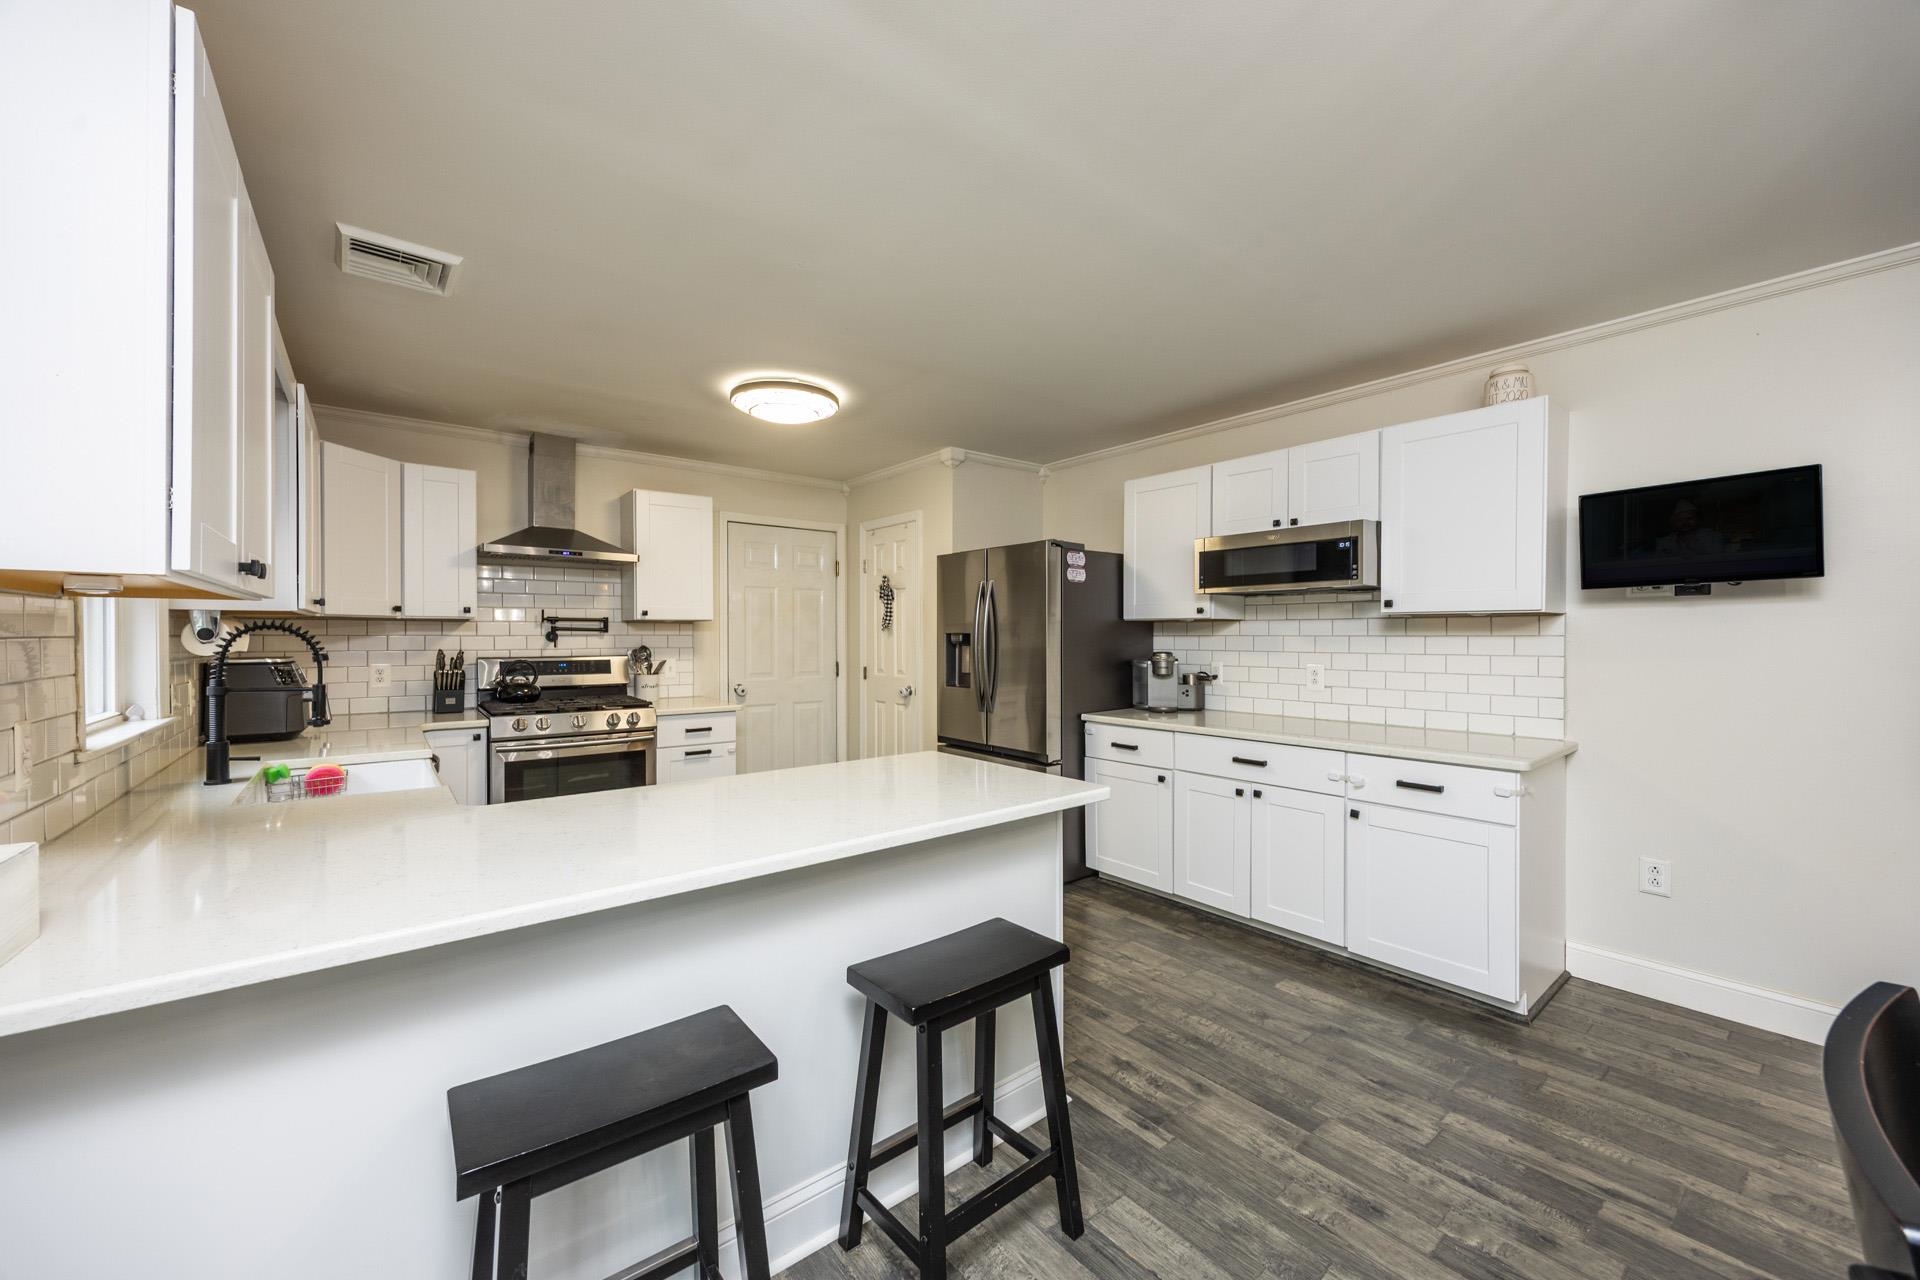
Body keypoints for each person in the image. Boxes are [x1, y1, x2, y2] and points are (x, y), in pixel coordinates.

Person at [1651, 498, 1727, 557]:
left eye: (1689, 519)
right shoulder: (1664, 542)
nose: (1685, 523)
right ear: (1673, 522)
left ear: (1697, 520)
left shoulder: (1713, 537)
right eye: (1680, 520)